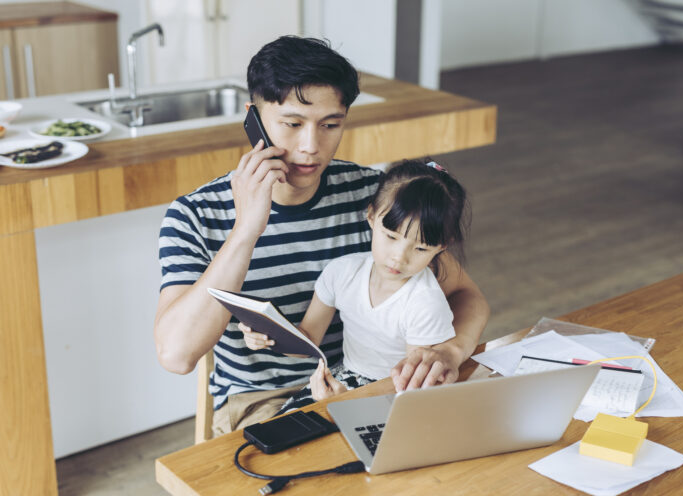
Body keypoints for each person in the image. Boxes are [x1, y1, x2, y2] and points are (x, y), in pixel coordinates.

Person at [154, 35, 490, 436]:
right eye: (292, 124)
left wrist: (452, 350)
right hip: (265, 401)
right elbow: (176, 356)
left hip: (367, 385)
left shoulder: (374, 196)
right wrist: (246, 230)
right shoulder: (194, 214)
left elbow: (466, 294)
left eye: (330, 125)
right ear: (254, 118)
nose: (311, 147)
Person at [243, 160, 468, 413]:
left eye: (420, 248)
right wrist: (270, 335)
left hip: (394, 395)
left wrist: (349, 400)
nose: (399, 257)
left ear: (442, 247)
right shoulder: (342, 272)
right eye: (391, 237)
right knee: (286, 428)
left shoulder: (424, 302)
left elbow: (413, 388)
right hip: (344, 379)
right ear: (371, 216)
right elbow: (308, 338)